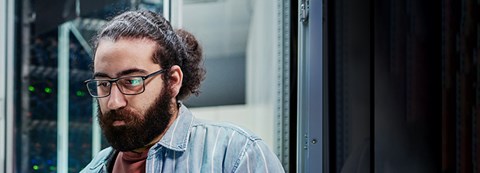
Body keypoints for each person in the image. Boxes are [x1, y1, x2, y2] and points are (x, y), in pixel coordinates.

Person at [80, 10, 285, 173]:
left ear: (172, 81)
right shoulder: (93, 169)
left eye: (132, 81)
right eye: (104, 84)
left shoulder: (235, 154)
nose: (114, 102)